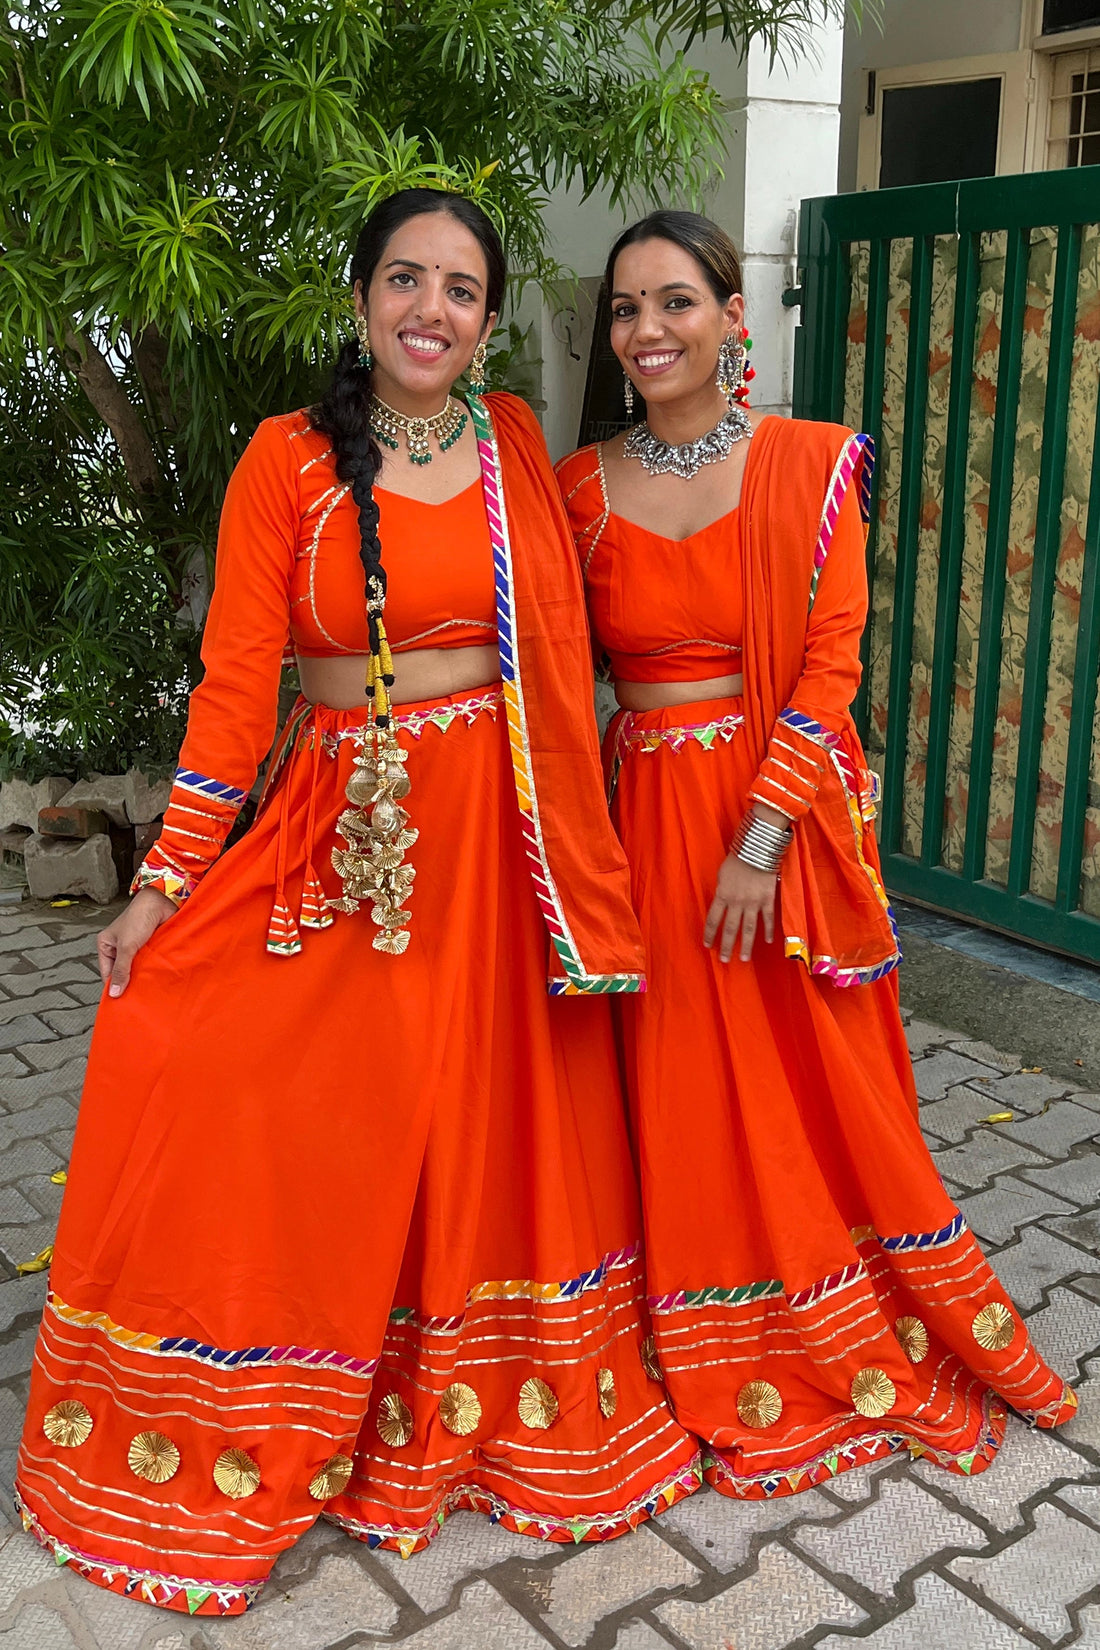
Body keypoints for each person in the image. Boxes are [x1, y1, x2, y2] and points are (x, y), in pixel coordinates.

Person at [14, 190, 702, 1621]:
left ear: (491, 323)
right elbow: (230, 691)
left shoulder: (518, 446)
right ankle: (251, 1392)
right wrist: (166, 880)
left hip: (502, 838)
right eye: (406, 280)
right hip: (352, 828)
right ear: (360, 297)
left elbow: (645, 550)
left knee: (478, 1119)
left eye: (460, 289)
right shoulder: (285, 461)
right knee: (226, 1059)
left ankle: (464, 1397)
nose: (431, 311)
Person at [556, 210, 1075, 1502]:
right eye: (625, 310)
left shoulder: (811, 464)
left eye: (676, 301)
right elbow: (559, 680)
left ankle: (832, 1308)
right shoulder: (579, 486)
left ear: (736, 316)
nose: (648, 330)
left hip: (768, 831)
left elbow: (832, 663)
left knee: (807, 1084)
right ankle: (692, 1313)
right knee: (668, 1078)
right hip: (637, 819)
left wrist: (761, 835)